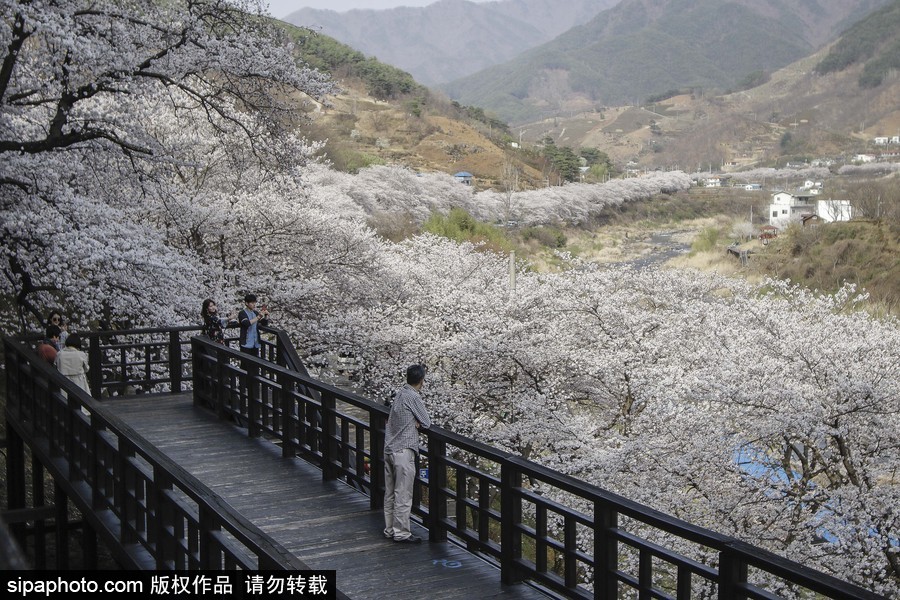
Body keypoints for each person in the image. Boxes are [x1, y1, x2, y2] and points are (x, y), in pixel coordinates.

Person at [383, 364, 431, 544]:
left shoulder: (400, 393)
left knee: (390, 493)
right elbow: (427, 422)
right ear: (421, 381)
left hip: (389, 448)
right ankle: (401, 532)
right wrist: (417, 422)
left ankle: (389, 529)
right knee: (403, 494)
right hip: (403, 451)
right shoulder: (413, 396)